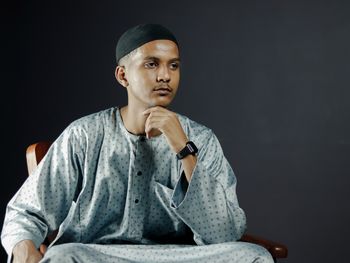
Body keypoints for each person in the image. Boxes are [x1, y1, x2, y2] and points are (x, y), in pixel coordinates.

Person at [1, 24, 274, 263]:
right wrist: (24, 248)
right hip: (97, 256)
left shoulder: (201, 139)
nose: (165, 75)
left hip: (177, 257)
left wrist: (184, 148)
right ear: (123, 76)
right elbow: (26, 211)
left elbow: (225, 234)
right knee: (62, 256)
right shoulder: (84, 135)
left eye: (174, 65)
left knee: (255, 256)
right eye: (152, 64)